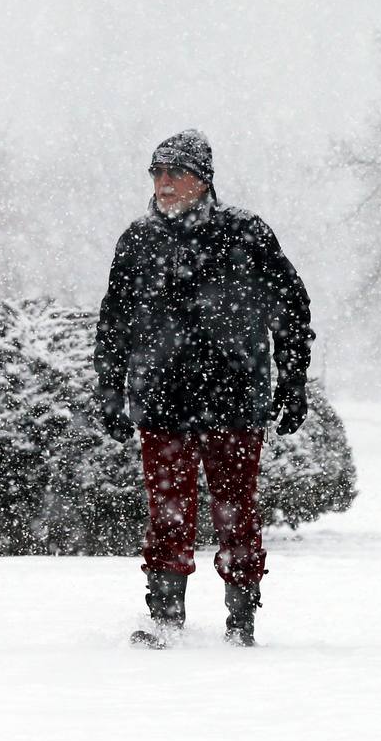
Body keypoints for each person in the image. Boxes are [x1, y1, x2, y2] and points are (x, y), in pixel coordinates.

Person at [94, 129, 314, 649]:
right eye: (157, 172)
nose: (165, 183)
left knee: (236, 507)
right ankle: (166, 616)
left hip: (234, 396)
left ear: (204, 179)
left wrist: (294, 379)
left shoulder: (246, 234)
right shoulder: (138, 241)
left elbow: (291, 309)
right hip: (161, 396)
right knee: (167, 510)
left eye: (177, 172)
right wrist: (109, 388)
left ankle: (242, 620)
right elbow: (114, 323)